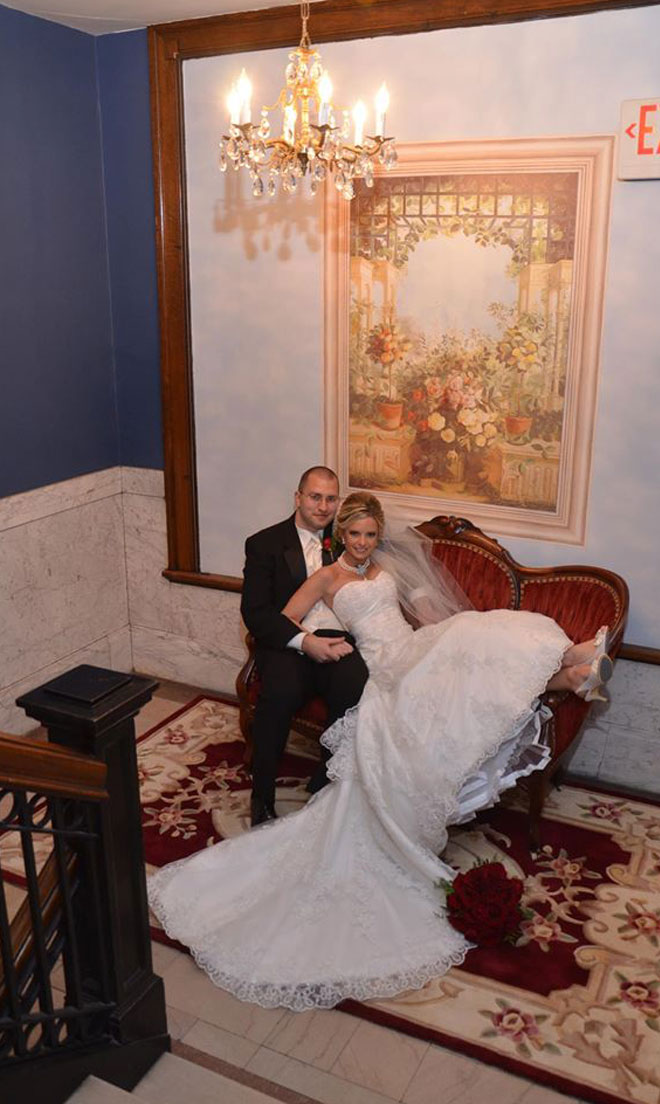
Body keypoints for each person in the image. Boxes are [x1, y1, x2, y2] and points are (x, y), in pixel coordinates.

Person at [148, 492, 613, 1011]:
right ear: (340, 536)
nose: (365, 543)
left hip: (413, 647)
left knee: (474, 633)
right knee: (462, 662)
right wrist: (318, 641)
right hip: (384, 668)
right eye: (355, 535)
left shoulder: (387, 565)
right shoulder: (326, 577)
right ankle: (575, 670)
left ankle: (575, 667)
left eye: (371, 534)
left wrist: (441, 625)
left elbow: (428, 609)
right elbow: (283, 619)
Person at [240, 466, 368, 826]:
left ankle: (325, 778)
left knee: (356, 681)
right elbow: (256, 613)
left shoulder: (349, 541)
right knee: (279, 694)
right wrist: (304, 642)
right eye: (315, 497)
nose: (323, 506)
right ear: (298, 498)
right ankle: (261, 795)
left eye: (330, 498)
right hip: (286, 644)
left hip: (336, 639)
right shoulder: (264, 544)